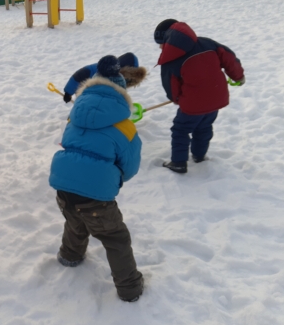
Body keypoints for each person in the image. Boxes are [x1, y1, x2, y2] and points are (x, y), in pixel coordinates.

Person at [49, 55, 144, 303]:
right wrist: (113, 177)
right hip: (96, 197)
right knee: (115, 238)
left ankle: (69, 255)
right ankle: (130, 288)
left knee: (75, 219)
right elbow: (131, 166)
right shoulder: (125, 127)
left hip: (63, 185)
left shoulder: (74, 116)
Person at [154, 19, 245, 173]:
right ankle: (199, 156)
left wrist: (177, 99)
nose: (160, 47)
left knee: (180, 130)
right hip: (216, 98)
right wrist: (238, 76)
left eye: (161, 43)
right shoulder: (207, 44)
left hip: (192, 104)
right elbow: (229, 58)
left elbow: (171, 85)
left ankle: (178, 162)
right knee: (204, 126)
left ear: (168, 38)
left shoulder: (170, 58)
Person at [62, 52, 147, 103]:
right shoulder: (99, 68)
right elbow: (78, 75)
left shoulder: (120, 79)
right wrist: (68, 92)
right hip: (85, 92)